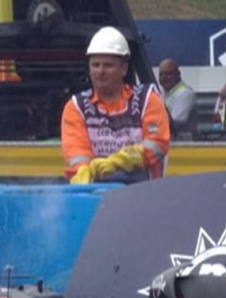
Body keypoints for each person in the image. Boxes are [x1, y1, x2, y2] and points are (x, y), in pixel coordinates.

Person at [61, 27, 170, 184]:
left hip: (145, 195)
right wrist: (82, 171)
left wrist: (123, 160)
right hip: (98, 195)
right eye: (95, 65)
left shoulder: (147, 99)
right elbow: (77, 154)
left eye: (108, 65)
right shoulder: (76, 107)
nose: (101, 71)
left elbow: (158, 143)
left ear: (124, 68)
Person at [158, 58, 197, 138]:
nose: (164, 77)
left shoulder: (185, 93)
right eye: (161, 74)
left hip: (184, 145)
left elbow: (174, 125)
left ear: (178, 74)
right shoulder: (161, 92)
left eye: (168, 74)